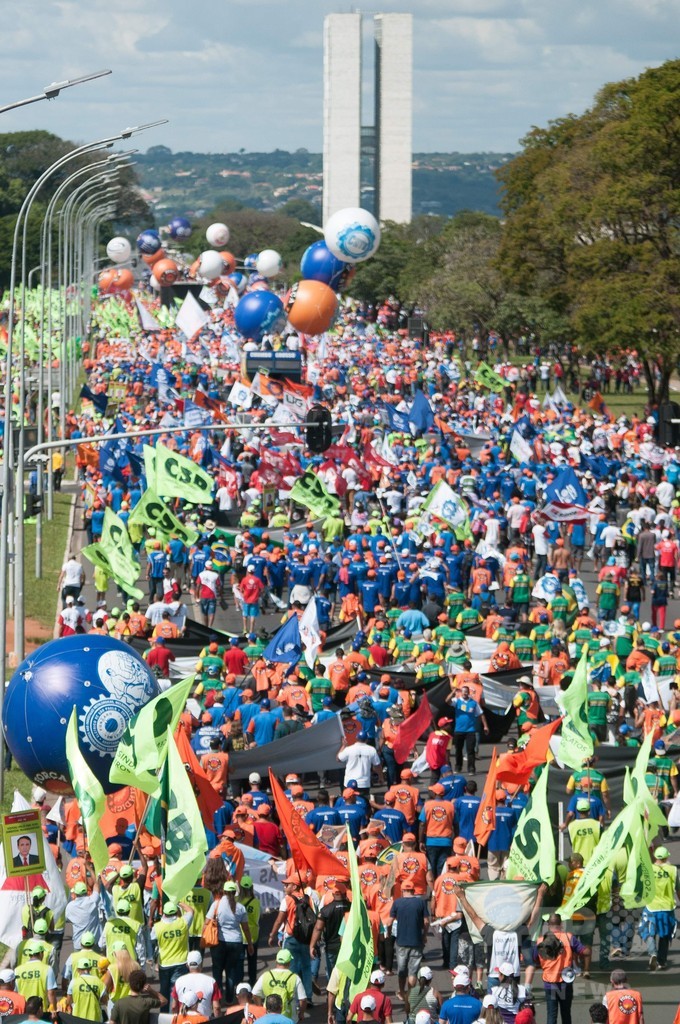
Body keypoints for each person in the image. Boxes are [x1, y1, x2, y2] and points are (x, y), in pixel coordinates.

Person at [533, 914, 589, 1024]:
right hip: (565, 983)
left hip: (550, 983)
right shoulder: (568, 937)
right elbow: (584, 951)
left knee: (551, 1015)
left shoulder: (540, 941)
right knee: (566, 1013)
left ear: (548, 925)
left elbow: (534, 958)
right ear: (561, 924)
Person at [206, 880, 254, 1004]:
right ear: (234, 892)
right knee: (230, 971)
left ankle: (218, 996)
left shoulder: (217, 904)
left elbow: (207, 922)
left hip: (219, 942)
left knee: (217, 969)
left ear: (223, 891)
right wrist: (249, 943)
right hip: (236, 942)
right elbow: (246, 928)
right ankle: (229, 998)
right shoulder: (240, 908)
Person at [389, 879, 430, 1007]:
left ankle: (402, 992)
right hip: (416, 941)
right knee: (413, 971)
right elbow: (426, 922)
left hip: (401, 941)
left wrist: (391, 934)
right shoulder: (420, 903)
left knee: (402, 970)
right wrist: (424, 935)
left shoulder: (397, 903)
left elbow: (389, 922)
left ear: (402, 891)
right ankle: (411, 994)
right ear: (413, 890)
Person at [640, 845, 680, 970]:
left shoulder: (648, 869)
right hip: (667, 908)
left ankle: (653, 953)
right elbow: (678, 889)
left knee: (647, 931)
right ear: (667, 856)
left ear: (655, 857)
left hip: (651, 906)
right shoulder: (673, 870)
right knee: (665, 935)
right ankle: (662, 961)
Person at [252, 949, 307, 1021]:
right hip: (289, 1017)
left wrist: (260, 1008)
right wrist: (301, 1013)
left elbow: (255, 994)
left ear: (276, 961)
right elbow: (303, 999)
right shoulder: (294, 978)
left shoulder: (266, 975)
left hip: (268, 1016)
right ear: (289, 962)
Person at [172, 951, 221, 1018]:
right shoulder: (211, 982)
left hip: (184, 1020)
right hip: (204, 1020)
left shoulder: (178, 981)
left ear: (187, 965)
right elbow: (216, 1007)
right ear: (201, 964)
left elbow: (174, 1006)